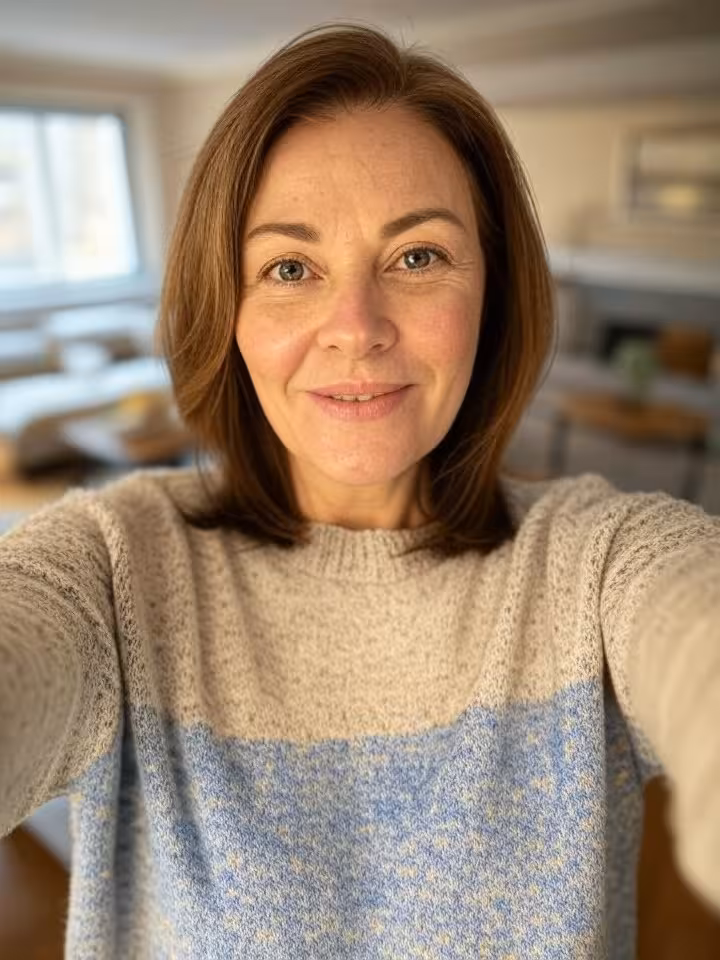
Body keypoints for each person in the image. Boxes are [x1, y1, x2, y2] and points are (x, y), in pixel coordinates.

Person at [1, 22, 718, 960]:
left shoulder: (601, 564)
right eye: (290, 268)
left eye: (418, 257)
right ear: (230, 312)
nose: (357, 327)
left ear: (493, 295)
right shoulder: (110, 569)